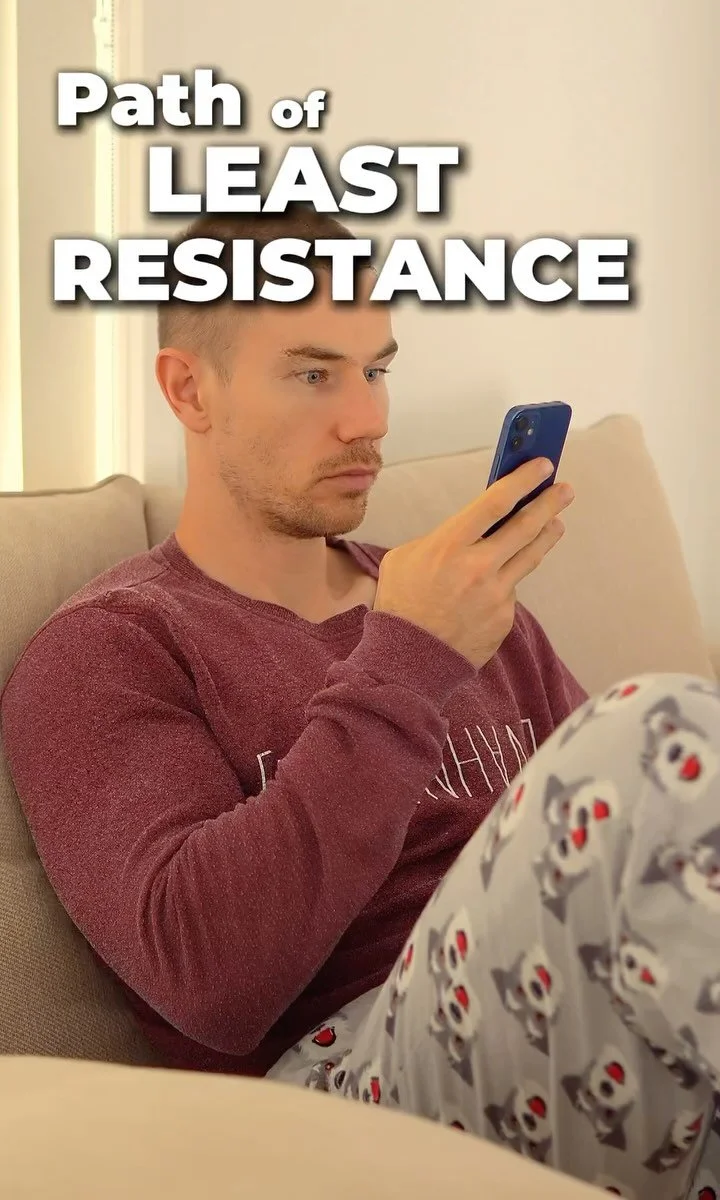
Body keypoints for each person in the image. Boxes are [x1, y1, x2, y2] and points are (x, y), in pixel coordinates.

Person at [1, 208, 718, 1200]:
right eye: (313, 374)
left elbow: (640, 863)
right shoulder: (111, 648)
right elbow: (211, 980)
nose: (368, 419)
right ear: (189, 387)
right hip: (336, 1093)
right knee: (656, 730)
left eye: (376, 370)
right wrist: (408, 658)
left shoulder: (458, 595)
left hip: (583, 1036)